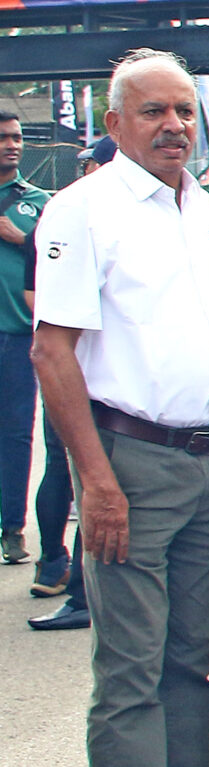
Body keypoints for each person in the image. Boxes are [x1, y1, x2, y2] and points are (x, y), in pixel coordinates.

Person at [35, 49, 209, 767]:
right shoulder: (83, 210)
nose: (173, 126)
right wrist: (95, 481)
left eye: (183, 111)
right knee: (129, 673)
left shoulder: (204, 210)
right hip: (131, 464)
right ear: (116, 122)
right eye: (153, 112)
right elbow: (54, 352)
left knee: (187, 665)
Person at [30, 139, 115, 626]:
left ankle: (76, 586)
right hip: (81, 392)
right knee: (65, 473)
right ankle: (63, 574)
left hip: (180, 434)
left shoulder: (197, 211)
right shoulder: (70, 212)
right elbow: (45, 329)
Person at [0, 106, 48, 570]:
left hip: (15, 334)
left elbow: (54, 261)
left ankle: (12, 528)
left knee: (15, 435)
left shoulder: (37, 201)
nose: (12, 144)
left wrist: (19, 239)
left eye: (15, 137)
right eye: (3, 138)